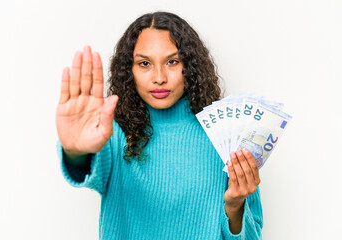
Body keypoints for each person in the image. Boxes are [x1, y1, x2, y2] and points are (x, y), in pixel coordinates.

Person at [56, 11, 263, 239]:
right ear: (129, 70)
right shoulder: (111, 131)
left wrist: (235, 206)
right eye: (144, 63)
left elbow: (252, 235)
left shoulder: (226, 132)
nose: (159, 77)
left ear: (191, 66)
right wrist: (75, 152)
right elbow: (86, 166)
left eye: (172, 61)